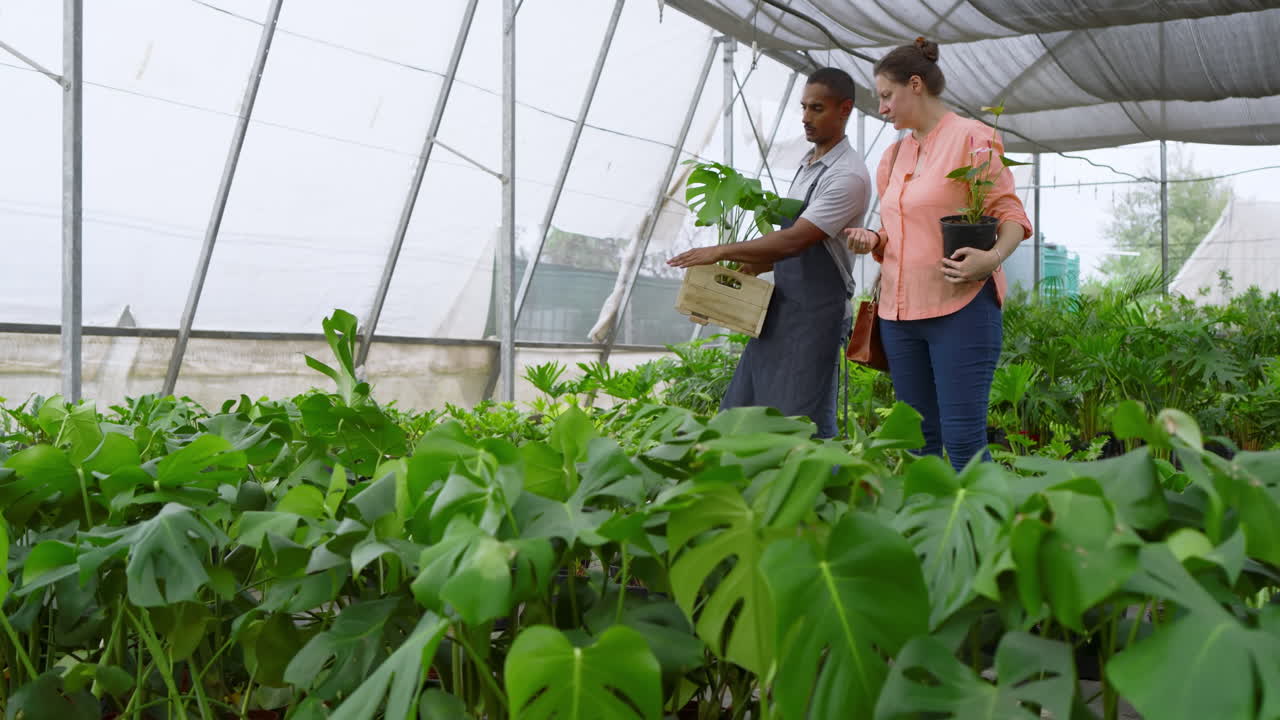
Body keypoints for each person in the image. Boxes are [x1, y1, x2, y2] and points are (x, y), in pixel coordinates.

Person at [843, 38, 1032, 470]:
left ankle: (986, 536)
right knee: (918, 445)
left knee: (964, 442)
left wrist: (992, 258)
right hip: (898, 317)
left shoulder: (973, 138)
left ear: (915, 85)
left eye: (887, 96)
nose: (882, 107)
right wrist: (873, 239)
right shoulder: (894, 156)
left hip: (960, 309)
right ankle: (925, 536)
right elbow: (898, 230)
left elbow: (1009, 213)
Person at [669, 67, 871, 439]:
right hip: (780, 307)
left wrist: (717, 251)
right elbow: (792, 246)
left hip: (815, 316)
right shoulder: (808, 164)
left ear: (845, 110)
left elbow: (797, 240)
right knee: (747, 410)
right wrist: (750, 267)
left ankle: (820, 491)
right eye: (804, 107)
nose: (805, 118)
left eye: (817, 109)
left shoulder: (848, 176)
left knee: (799, 423)